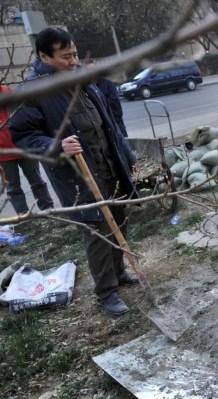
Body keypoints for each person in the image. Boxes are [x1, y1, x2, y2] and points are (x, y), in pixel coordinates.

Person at [10, 28, 140, 316]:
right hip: (78, 176)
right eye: (66, 56)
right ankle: (106, 293)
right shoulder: (34, 92)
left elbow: (109, 124)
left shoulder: (82, 80)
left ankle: (119, 273)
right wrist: (56, 145)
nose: (73, 61)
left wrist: (126, 154)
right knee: (96, 231)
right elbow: (24, 137)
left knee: (118, 221)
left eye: (76, 54)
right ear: (43, 56)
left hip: (108, 166)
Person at [0, 84, 54, 214]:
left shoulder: (10, 93)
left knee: (37, 181)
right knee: (13, 187)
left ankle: (48, 210)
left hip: (23, 146)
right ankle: (22, 215)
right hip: (3, 154)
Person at [85, 60, 129, 137]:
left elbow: (114, 101)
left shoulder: (108, 84)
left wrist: (97, 104)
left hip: (115, 123)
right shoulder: (87, 87)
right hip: (101, 127)